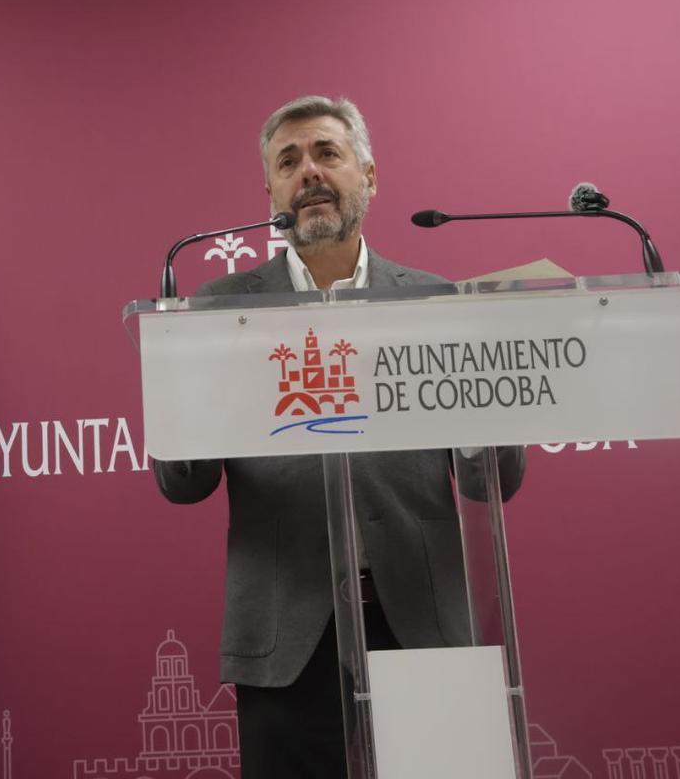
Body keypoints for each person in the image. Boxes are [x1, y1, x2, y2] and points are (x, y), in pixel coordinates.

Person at [152, 95, 526, 778]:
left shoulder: (438, 305)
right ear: (270, 192)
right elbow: (183, 484)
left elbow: (493, 479)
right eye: (288, 162)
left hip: (420, 620)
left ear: (369, 175)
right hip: (287, 631)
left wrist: (483, 406)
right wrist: (177, 376)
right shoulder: (219, 309)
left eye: (327, 153)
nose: (309, 174)